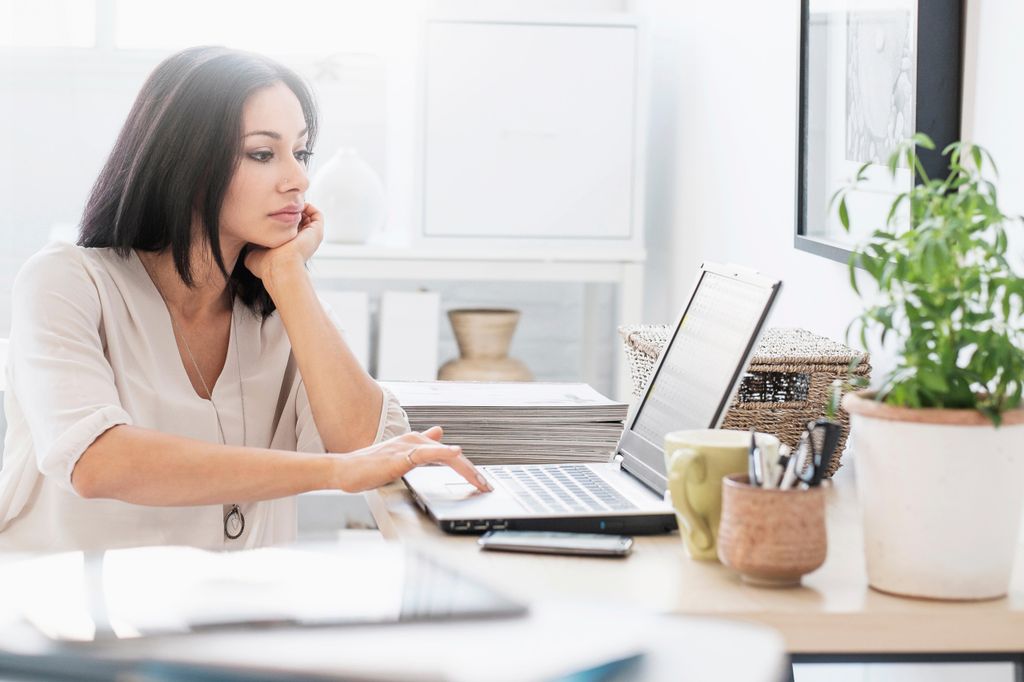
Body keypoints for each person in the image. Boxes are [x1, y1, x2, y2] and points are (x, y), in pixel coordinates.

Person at [0, 46, 490, 552]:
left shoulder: (282, 305)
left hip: (229, 611)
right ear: (184, 163)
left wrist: (289, 275)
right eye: (262, 153)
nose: (298, 178)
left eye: (300, 153)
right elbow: (97, 462)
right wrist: (333, 472)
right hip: (66, 613)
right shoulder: (66, 282)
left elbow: (364, 447)